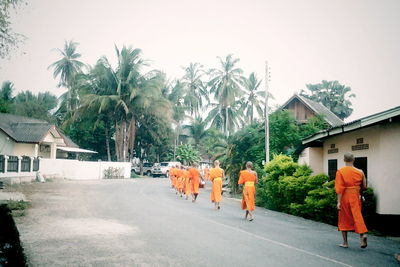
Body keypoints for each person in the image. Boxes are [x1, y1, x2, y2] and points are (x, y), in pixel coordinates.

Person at [335, 152, 368, 248]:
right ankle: (362, 234)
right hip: (355, 196)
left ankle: (345, 243)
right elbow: (364, 186)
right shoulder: (360, 171)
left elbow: (339, 189)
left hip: (345, 196)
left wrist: (338, 202)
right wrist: (357, 190)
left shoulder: (340, 171)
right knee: (357, 216)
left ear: (344, 160)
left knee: (344, 218)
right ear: (354, 160)